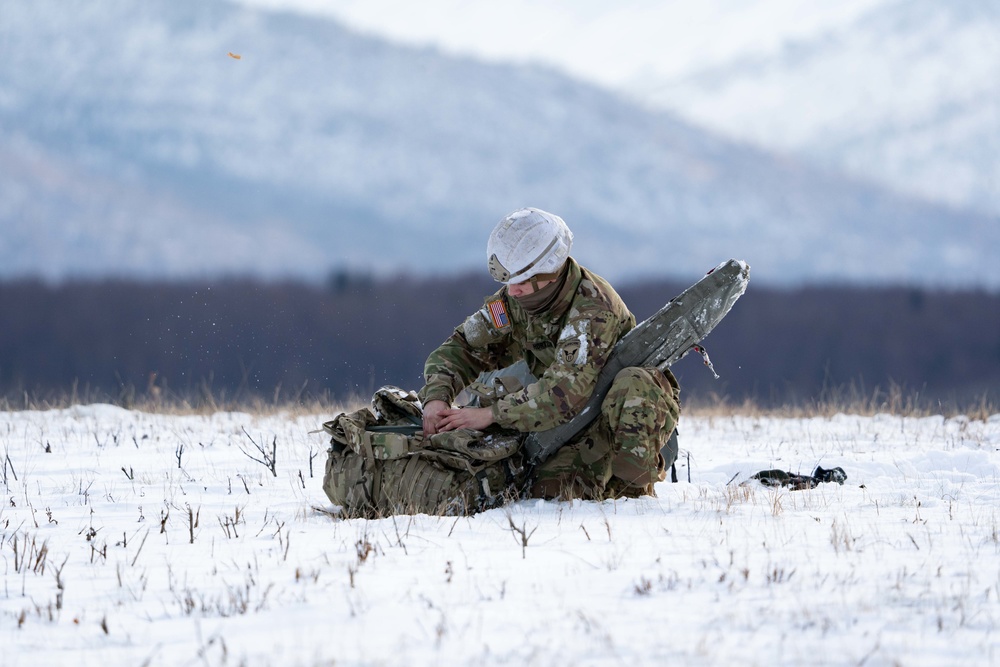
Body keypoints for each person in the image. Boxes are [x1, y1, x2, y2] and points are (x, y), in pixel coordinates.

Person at [418, 207, 680, 500]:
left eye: (520, 281)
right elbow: (463, 347)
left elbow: (564, 392)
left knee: (559, 493)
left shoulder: (593, 310)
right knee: (527, 486)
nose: (511, 291)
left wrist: (490, 415)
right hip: (561, 422)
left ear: (548, 273)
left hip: (618, 420)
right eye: (509, 282)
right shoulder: (515, 301)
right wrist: (436, 397)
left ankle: (632, 489)